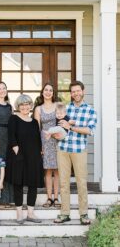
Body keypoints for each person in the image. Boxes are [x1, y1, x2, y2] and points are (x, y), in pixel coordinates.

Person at [54, 80, 97, 225]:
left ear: (83, 91)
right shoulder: (65, 109)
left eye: (78, 91)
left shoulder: (90, 110)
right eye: (73, 92)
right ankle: (64, 213)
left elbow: (89, 130)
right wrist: (56, 133)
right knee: (64, 183)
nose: (75, 94)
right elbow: (59, 126)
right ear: (71, 94)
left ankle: (83, 214)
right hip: (63, 150)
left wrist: (71, 127)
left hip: (79, 150)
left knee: (81, 182)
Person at [6, 94, 44, 224]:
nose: (25, 107)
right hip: (19, 156)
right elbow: (11, 136)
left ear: (30, 106)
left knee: (32, 184)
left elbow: (38, 139)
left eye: (27, 104)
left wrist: (40, 152)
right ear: (18, 106)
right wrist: (16, 150)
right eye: (22, 105)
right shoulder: (14, 119)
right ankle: (19, 213)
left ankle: (30, 213)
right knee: (18, 184)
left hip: (33, 156)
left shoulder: (34, 122)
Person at [34, 83, 60, 208]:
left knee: (57, 171)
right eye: (46, 90)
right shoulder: (38, 109)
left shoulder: (58, 106)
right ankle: (49, 198)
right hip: (44, 141)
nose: (48, 92)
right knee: (48, 171)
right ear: (42, 92)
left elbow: (62, 122)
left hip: (57, 140)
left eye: (51, 90)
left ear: (53, 93)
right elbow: (36, 129)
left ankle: (56, 198)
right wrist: (39, 146)